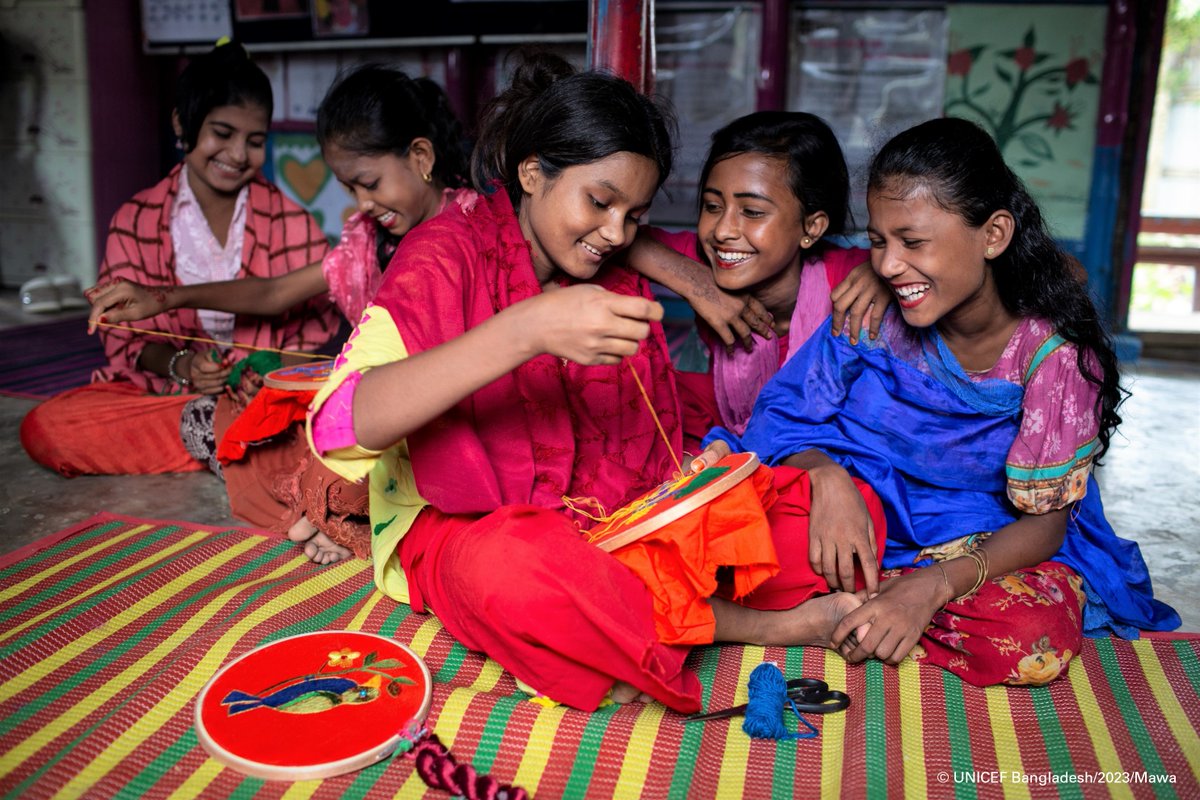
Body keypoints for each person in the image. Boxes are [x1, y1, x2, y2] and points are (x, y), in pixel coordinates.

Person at [307, 54, 882, 712]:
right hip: (472, 530)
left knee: (833, 510)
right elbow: (336, 427)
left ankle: (637, 616)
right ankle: (765, 628)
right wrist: (526, 329)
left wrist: (695, 477)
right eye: (600, 202)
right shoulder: (445, 253)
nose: (614, 234)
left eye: (633, 215)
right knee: (518, 573)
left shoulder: (611, 259)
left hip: (623, 517)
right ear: (531, 174)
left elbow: (651, 425)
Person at [698, 117, 1180, 687]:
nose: (888, 266)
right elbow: (780, 416)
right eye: (879, 242)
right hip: (858, 519)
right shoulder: (870, 314)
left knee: (1031, 639)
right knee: (719, 553)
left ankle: (870, 601)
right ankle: (861, 603)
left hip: (984, 535)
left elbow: (1045, 526)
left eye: (913, 242)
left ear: (994, 235)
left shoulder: (1053, 357)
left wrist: (934, 584)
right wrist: (826, 477)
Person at [81, 64, 476, 563]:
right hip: (372, 423)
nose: (363, 204)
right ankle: (335, 508)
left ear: (420, 156)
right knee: (228, 423)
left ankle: (337, 510)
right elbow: (274, 293)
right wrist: (165, 297)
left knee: (357, 460)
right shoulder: (368, 243)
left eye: (369, 183)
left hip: (442, 428)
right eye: (351, 189)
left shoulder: (471, 230)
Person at [20, 42, 337, 477]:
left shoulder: (292, 222)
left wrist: (265, 376)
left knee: (343, 414)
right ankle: (228, 440)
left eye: (255, 141)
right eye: (222, 134)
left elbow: (316, 341)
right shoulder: (135, 220)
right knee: (50, 427)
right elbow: (126, 339)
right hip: (171, 399)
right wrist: (182, 366)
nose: (238, 154)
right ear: (182, 123)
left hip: (268, 400)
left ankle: (227, 438)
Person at [628, 111, 891, 443]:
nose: (723, 231)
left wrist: (884, 274)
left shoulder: (850, 278)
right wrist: (695, 281)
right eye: (712, 206)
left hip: (833, 448)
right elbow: (615, 237)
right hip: (728, 430)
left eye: (752, 212)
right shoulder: (704, 264)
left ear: (812, 226)